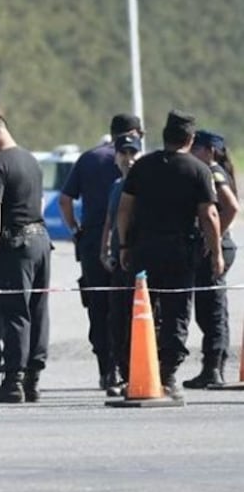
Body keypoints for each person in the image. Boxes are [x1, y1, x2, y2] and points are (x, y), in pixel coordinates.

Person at [116, 111, 223, 400]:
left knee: (141, 312)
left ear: (164, 136)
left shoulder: (142, 167)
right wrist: (216, 254)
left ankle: (135, 373)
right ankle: (167, 374)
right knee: (177, 313)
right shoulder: (198, 170)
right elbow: (210, 214)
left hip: (144, 250)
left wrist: (124, 245)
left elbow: (125, 209)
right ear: (190, 139)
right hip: (180, 252)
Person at [59, 114, 143, 391]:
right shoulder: (142, 161)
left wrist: (75, 230)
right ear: (132, 133)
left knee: (98, 306)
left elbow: (65, 200)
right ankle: (131, 368)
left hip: (94, 240)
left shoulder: (89, 158)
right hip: (132, 241)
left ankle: (106, 370)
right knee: (132, 306)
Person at [0, 114, 51, 404]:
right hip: (40, 240)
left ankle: (13, 381)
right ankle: (32, 379)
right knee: (38, 310)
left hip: (16, 244)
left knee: (15, 311)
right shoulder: (31, 160)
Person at [184, 130, 239, 388]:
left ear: (210, 151)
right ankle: (212, 367)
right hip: (216, 246)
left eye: (197, 148)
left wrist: (213, 239)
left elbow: (231, 207)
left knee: (212, 310)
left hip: (216, 247)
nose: (192, 153)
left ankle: (213, 369)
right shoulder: (212, 171)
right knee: (210, 309)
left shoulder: (214, 172)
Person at [100, 133, 142, 397]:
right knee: (116, 318)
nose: (128, 159)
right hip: (118, 260)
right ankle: (120, 371)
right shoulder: (117, 184)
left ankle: (141, 372)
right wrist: (104, 247)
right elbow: (110, 219)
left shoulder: (146, 183)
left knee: (138, 319)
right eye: (123, 154)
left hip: (138, 259)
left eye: (132, 153)